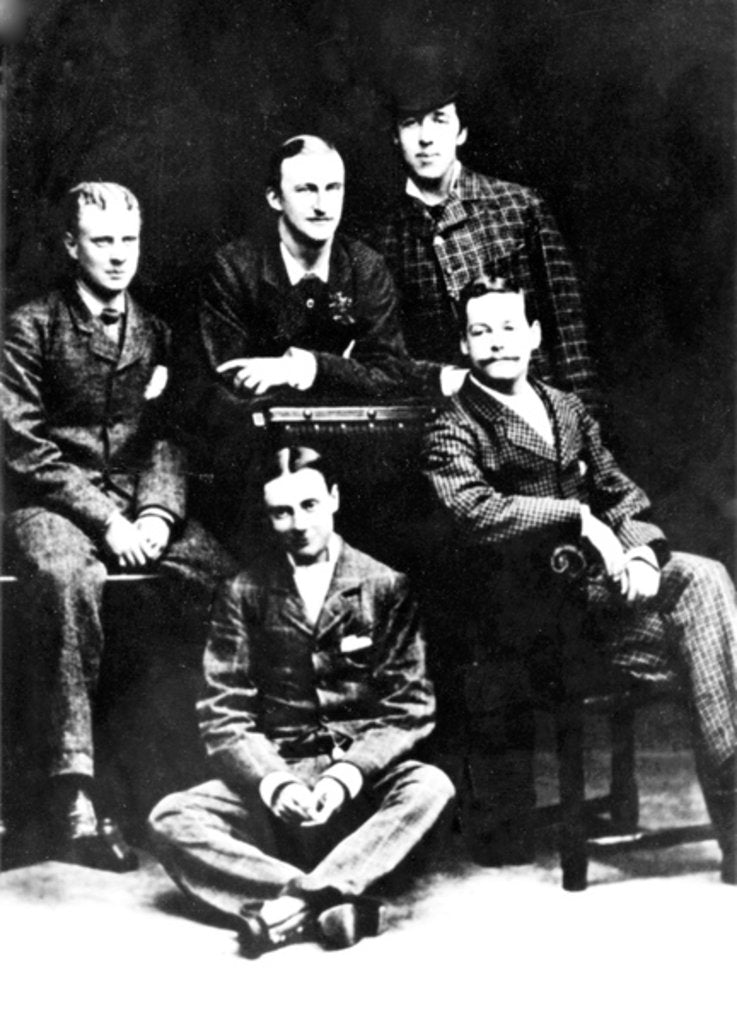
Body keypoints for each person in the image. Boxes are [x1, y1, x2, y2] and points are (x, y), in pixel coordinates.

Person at [422, 274, 736, 882]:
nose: (497, 343)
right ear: (463, 345)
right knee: (705, 643)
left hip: (608, 590)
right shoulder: (452, 424)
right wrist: (578, 519)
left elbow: (619, 492)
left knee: (704, 577)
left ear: (534, 334)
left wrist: (641, 553)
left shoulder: (566, 407)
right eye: (480, 332)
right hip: (534, 609)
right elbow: (475, 510)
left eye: (509, 327)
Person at [2, 182, 234, 871]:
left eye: (127, 240)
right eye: (101, 241)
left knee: (228, 579)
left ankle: (229, 767)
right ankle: (75, 792)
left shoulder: (154, 330)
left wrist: (159, 514)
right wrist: (107, 521)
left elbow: (168, 435)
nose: (117, 255)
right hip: (51, 505)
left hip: (140, 501)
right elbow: (22, 444)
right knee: (69, 580)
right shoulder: (30, 327)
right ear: (72, 246)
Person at [148, 446, 454, 955]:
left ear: (334, 499)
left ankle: (288, 908)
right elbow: (224, 712)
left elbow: (410, 707)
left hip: (359, 787)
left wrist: (346, 776)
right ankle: (330, 896)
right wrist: (273, 781)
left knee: (431, 785)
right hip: (282, 781)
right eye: (281, 512)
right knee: (171, 817)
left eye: (310, 505)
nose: (298, 523)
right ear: (267, 517)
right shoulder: (243, 591)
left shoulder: (385, 584)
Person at [371, 47, 602, 413]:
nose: (426, 137)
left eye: (439, 120)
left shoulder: (519, 206)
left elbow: (568, 330)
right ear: (395, 137)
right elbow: (388, 356)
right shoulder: (382, 236)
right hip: (444, 421)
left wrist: (582, 433)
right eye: (411, 123)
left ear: (461, 131)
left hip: (536, 412)